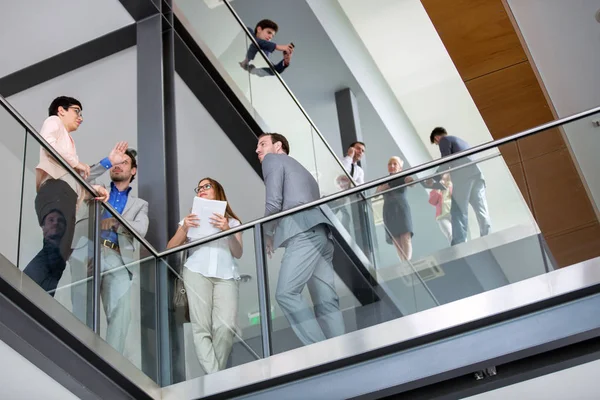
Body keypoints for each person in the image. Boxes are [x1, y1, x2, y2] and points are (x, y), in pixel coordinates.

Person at [256, 132, 345, 345]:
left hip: (302, 233)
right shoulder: (304, 172)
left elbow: (273, 203)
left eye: (262, 144)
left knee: (286, 293)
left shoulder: (272, 160)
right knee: (327, 302)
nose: (258, 150)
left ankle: (321, 351)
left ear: (278, 146)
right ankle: (343, 350)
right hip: (322, 235)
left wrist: (267, 233)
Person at [23, 96, 109, 296]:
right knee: (54, 248)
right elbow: (46, 142)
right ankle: (19, 290)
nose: (81, 117)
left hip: (65, 196)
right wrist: (75, 163)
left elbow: (72, 182)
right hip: (55, 192)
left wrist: (94, 188)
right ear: (61, 110)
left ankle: (41, 301)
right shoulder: (53, 122)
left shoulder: (68, 141)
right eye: (77, 111)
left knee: (59, 257)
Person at [70, 147, 148, 356]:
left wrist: (117, 222)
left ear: (133, 171)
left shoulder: (139, 205)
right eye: (116, 162)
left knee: (122, 313)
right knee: (82, 306)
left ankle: (111, 360)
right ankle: (81, 355)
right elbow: (81, 178)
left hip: (117, 257)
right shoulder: (98, 187)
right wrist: (107, 160)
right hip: (87, 250)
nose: (117, 165)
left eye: (123, 162)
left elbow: (141, 230)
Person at [167, 178, 243, 375]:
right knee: (201, 328)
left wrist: (227, 230)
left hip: (226, 275)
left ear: (217, 190)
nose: (201, 189)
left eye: (206, 186)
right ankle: (217, 380)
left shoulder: (233, 222)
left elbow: (238, 252)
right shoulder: (189, 219)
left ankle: (213, 378)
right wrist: (185, 228)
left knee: (226, 327)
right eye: (199, 187)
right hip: (196, 272)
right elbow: (170, 249)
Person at [430, 127, 491, 245]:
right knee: (481, 210)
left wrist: (434, 178)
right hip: (477, 175)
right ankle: (487, 237)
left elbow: (445, 162)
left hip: (463, 177)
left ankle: (459, 242)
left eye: (436, 143)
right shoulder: (462, 142)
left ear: (437, 138)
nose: (438, 145)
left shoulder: (444, 140)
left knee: (459, 211)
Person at [376, 157, 414, 261]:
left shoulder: (402, 176)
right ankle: (403, 262)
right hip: (389, 210)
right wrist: (381, 188)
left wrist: (410, 180)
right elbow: (375, 195)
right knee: (396, 240)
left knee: (405, 237)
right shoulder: (383, 180)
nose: (392, 166)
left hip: (401, 208)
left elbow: (410, 181)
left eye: (394, 164)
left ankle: (407, 263)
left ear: (400, 167)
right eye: (389, 164)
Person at [428, 173, 453, 244]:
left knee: (460, 233)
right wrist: (437, 188)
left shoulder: (453, 185)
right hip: (442, 216)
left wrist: (449, 186)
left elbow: (458, 196)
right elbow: (432, 201)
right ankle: (457, 250)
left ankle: (464, 248)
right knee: (450, 234)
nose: (443, 177)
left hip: (454, 213)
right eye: (442, 176)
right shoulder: (437, 187)